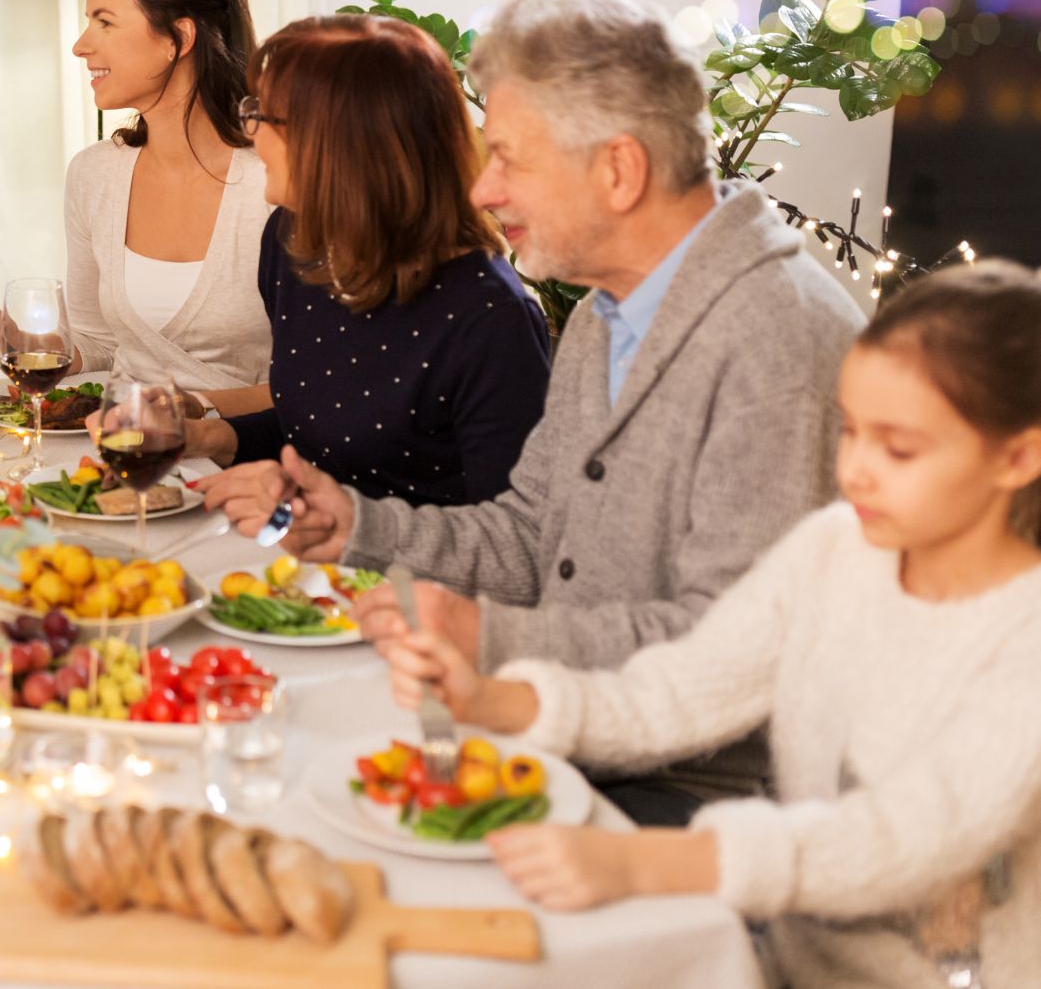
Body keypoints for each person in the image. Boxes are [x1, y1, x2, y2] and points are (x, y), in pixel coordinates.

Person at [203, 0, 866, 825]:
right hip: (568, 736)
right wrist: (358, 528)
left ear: (618, 170)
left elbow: (730, 650)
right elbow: (528, 533)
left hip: (703, 805)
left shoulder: (774, 341)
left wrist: (494, 641)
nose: (482, 189)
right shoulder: (606, 312)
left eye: (511, 159)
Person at [384, 261, 1041, 989]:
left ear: (1019, 456)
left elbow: (907, 835)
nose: (854, 469)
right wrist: (502, 700)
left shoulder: (1025, 637)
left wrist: (650, 863)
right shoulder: (834, 546)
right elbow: (690, 684)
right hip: (790, 967)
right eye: (851, 432)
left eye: (900, 448)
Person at [180, 15, 549, 503]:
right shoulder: (292, 240)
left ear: (341, 142)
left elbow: (515, 541)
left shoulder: (488, 317)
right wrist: (212, 436)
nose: (252, 134)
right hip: (307, 564)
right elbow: (321, 433)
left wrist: (350, 531)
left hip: (413, 579)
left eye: (264, 116)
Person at [7, 0, 272, 412]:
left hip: (244, 461)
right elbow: (102, 342)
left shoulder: (276, 182)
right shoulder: (94, 175)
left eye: (104, 22)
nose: (81, 46)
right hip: (121, 448)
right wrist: (10, 338)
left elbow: (315, 386)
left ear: (178, 37)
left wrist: (188, 413)